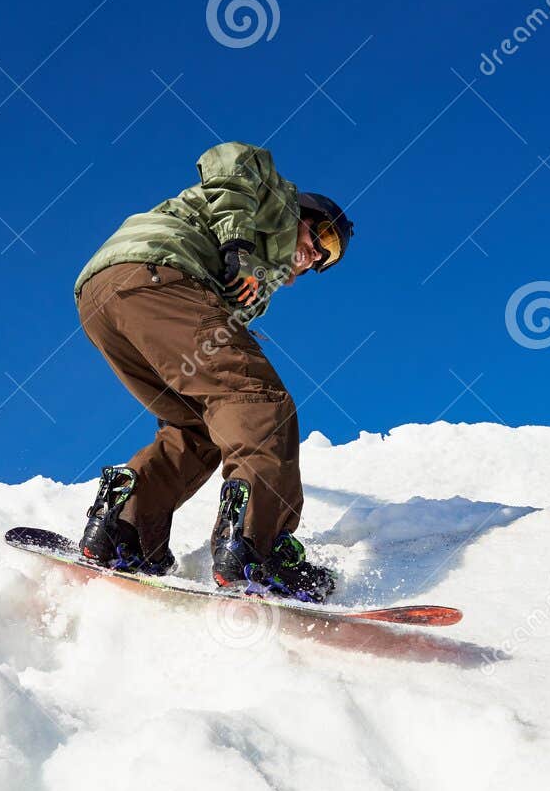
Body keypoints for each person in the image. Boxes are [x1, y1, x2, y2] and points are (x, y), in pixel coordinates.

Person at [71, 141, 353, 603]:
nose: (318, 256)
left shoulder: (251, 278)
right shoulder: (272, 202)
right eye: (324, 239)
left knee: (198, 426)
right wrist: (238, 243)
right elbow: (231, 159)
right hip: (158, 272)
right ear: (304, 214)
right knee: (257, 401)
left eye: (329, 259)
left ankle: (124, 531)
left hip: (104, 300)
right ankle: (256, 548)